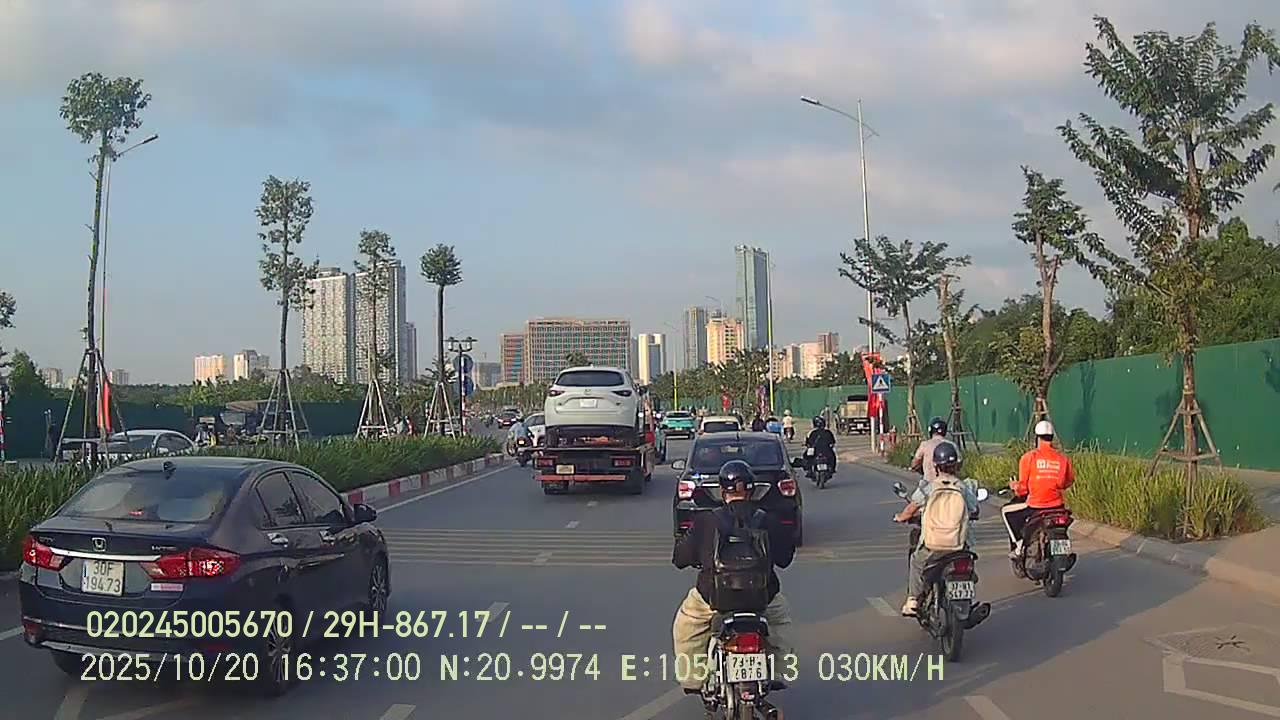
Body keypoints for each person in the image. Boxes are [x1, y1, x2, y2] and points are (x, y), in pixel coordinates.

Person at [672, 460, 795, 695]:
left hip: (712, 598)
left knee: (687, 626)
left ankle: (693, 679)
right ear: (751, 490)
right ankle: (779, 673)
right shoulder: (768, 520)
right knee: (780, 624)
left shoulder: (706, 520)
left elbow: (679, 558)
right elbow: (785, 559)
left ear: (721, 490)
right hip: (762, 598)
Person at [894, 442, 981, 616]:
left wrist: (901, 517)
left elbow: (912, 507)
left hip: (933, 545)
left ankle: (913, 600)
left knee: (916, 562)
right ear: (956, 466)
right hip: (959, 544)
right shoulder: (963, 487)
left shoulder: (929, 487)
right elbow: (974, 509)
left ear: (936, 466)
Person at [1003, 420, 1075, 558]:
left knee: (1007, 512)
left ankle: (1018, 546)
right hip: (1058, 506)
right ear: (1052, 437)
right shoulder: (1063, 459)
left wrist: (1014, 486)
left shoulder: (1029, 458)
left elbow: (1023, 489)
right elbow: (1067, 482)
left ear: (1037, 438)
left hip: (1035, 506)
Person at [910, 417, 952, 483]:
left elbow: (915, 463)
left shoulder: (925, 445)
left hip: (929, 483)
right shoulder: (952, 445)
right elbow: (959, 463)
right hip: (950, 484)